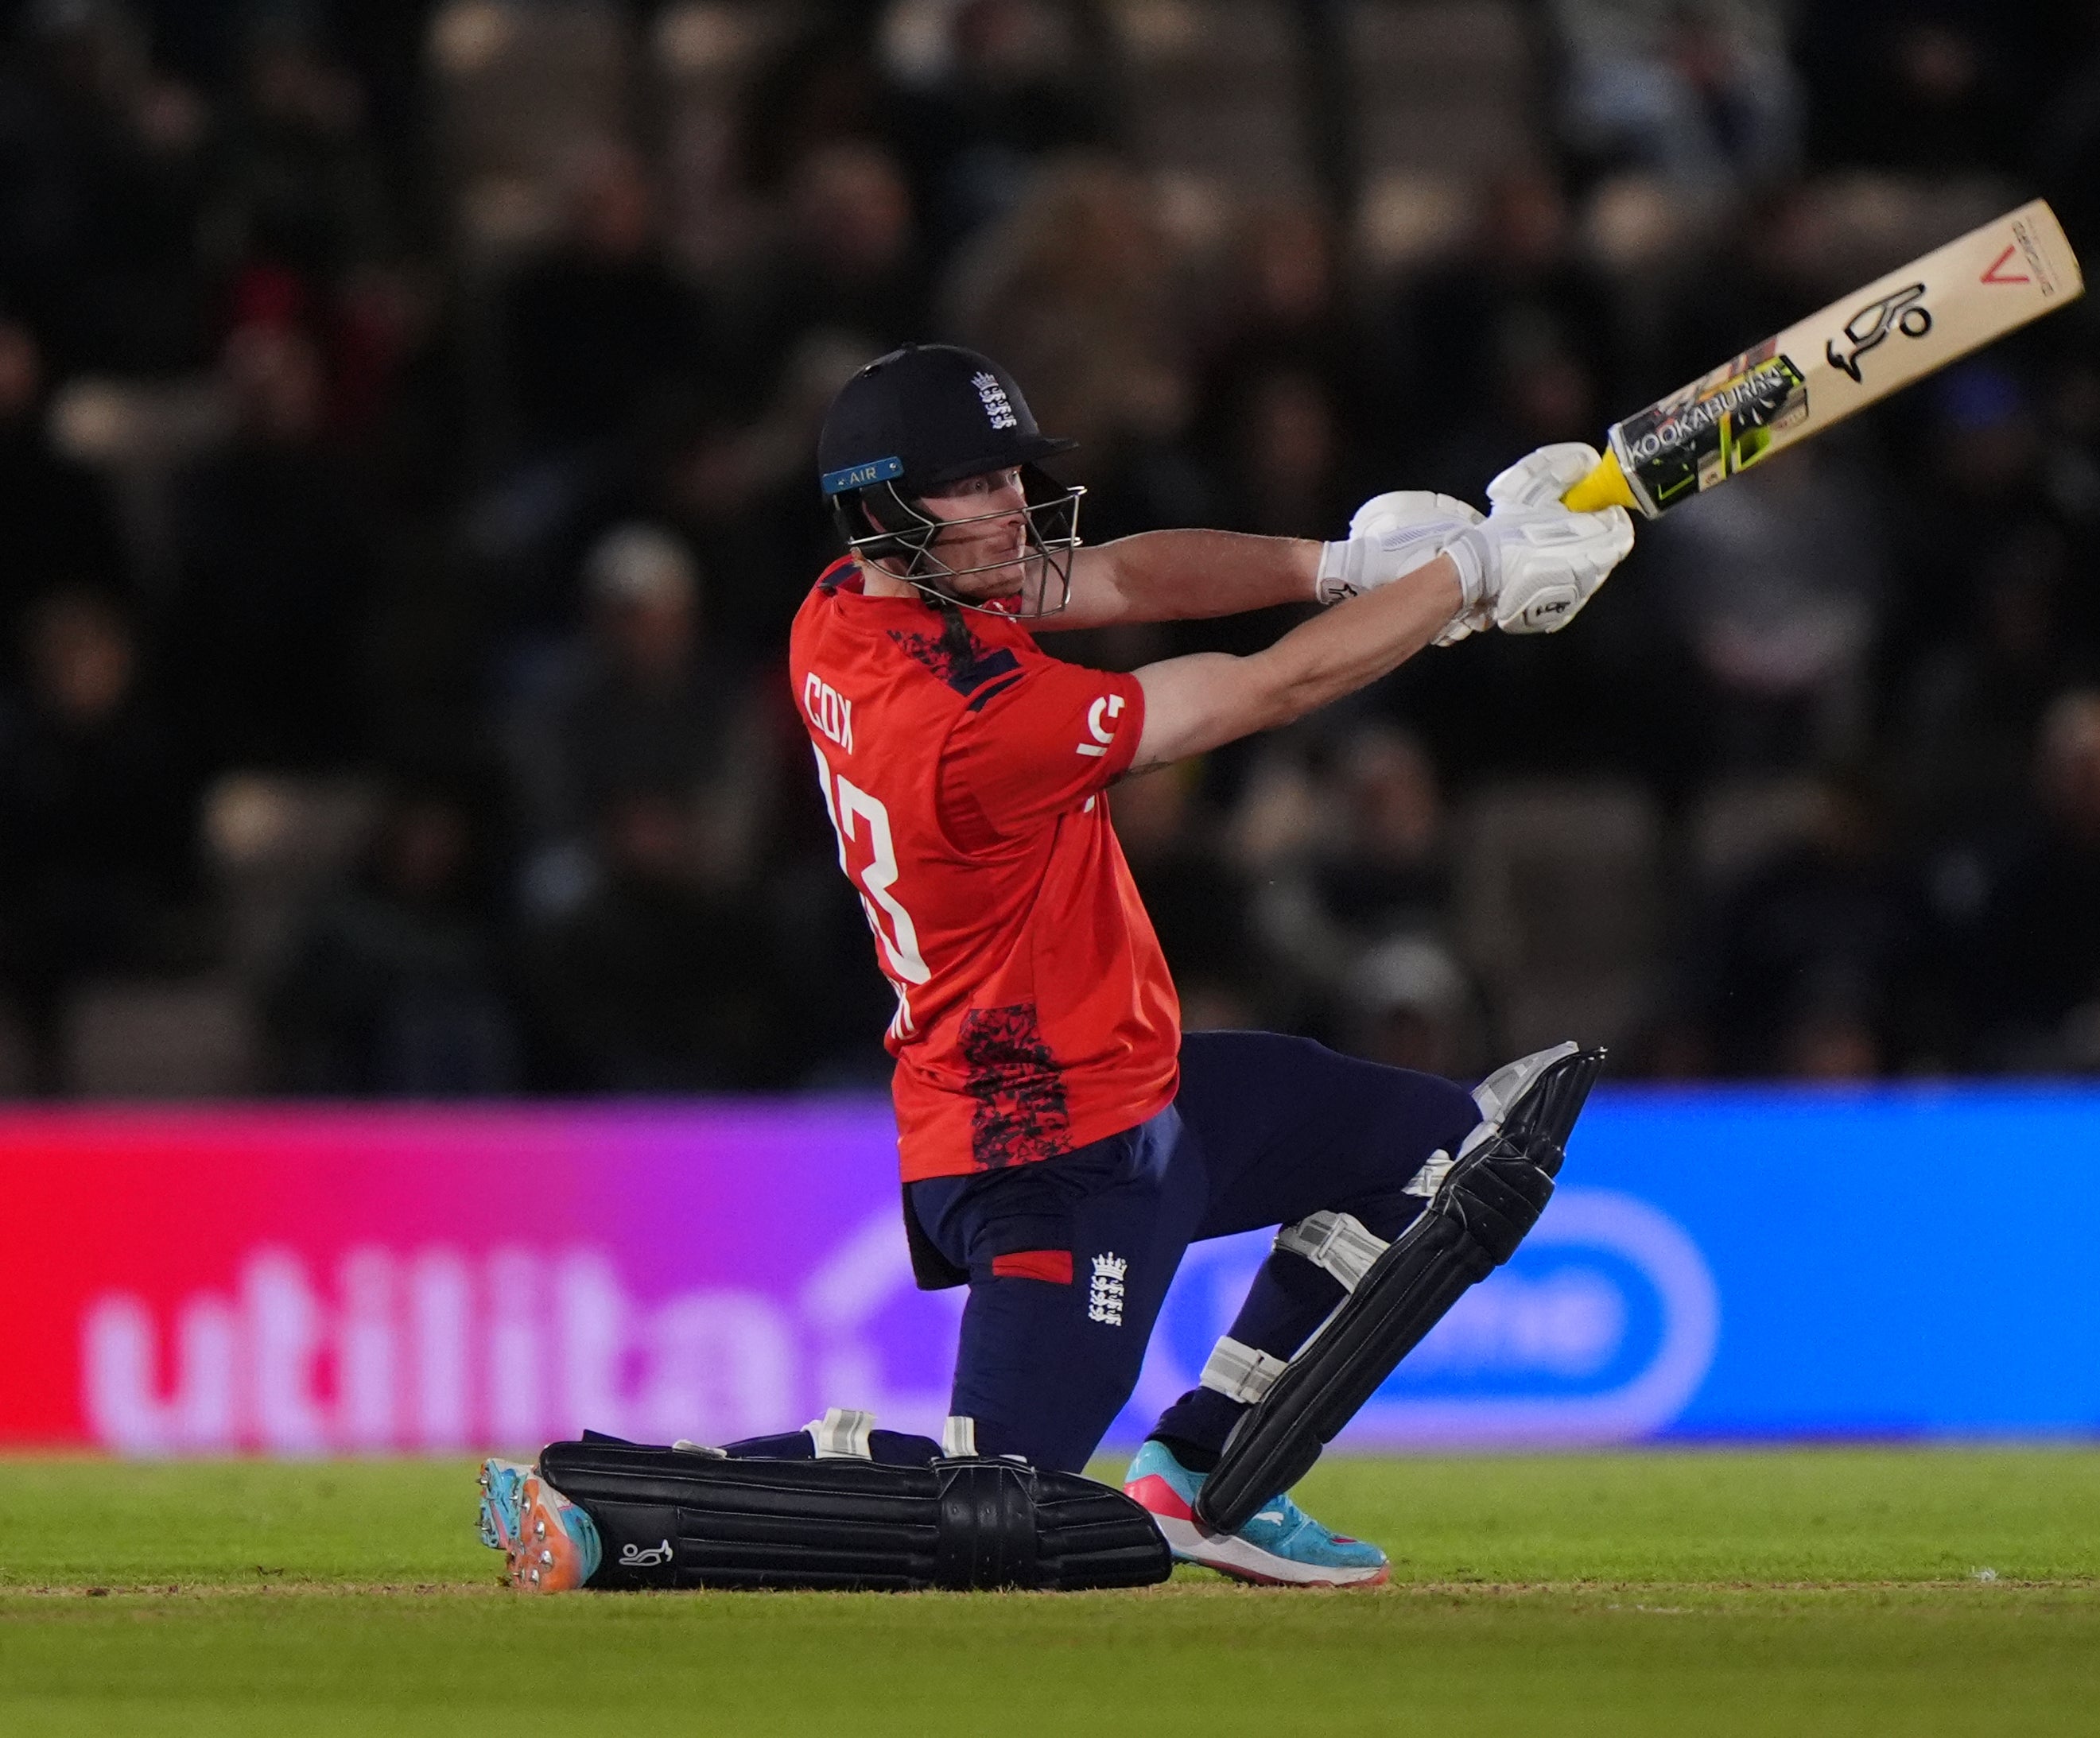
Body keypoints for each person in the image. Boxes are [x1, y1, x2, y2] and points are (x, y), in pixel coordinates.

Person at [478, 342, 1629, 1593]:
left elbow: (1122, 570)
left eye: (1010, 473)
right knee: (1003, 1498)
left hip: (1133, 1088)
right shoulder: (969, 731)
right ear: (884, 506)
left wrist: (1340, 565)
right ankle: (622, 1504)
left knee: (1446, 1154)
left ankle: (1206, 1475)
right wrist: (1469, 574)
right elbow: (1264, 692)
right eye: (973, 485)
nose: (1013, 504)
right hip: (1047, 1151)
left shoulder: (847, 606)